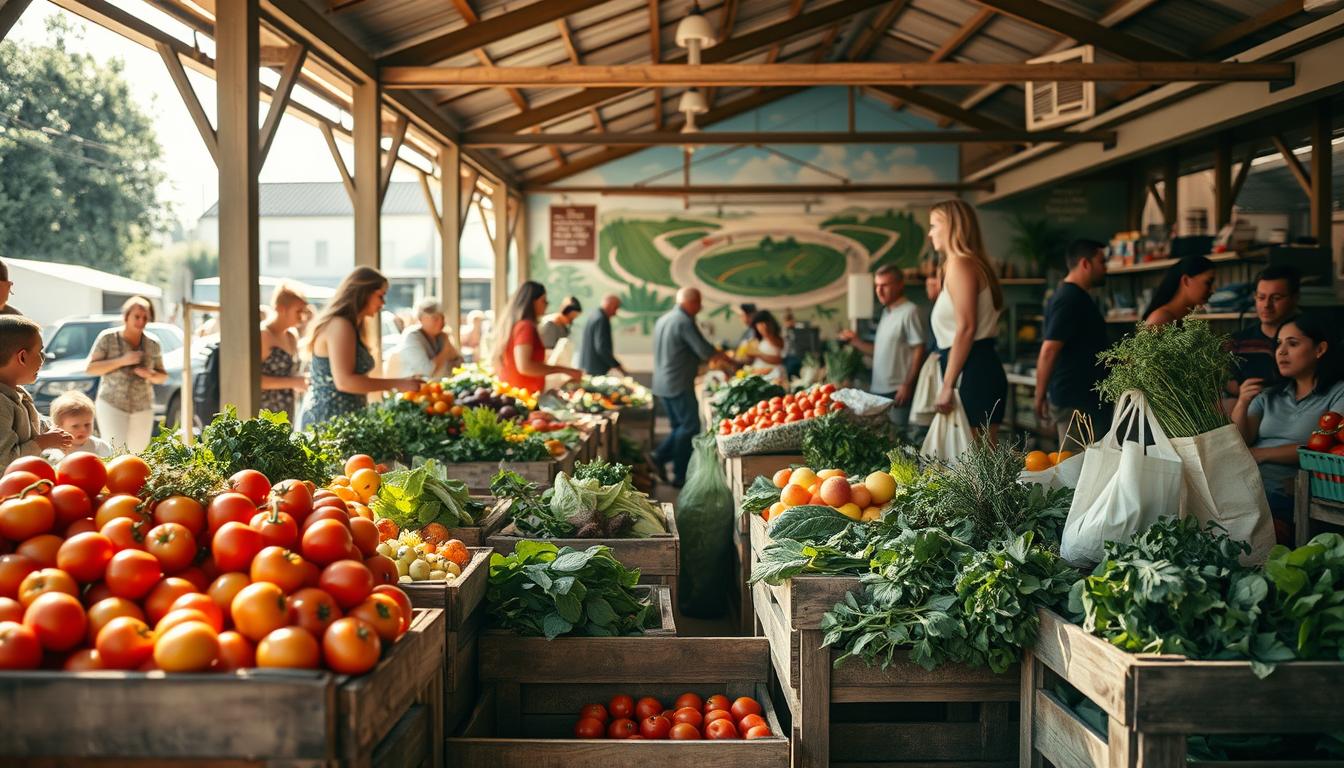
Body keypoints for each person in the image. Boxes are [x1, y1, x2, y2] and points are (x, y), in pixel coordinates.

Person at [1232, 314, 1344, 528]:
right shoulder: (1269, 395)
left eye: (1292, 344)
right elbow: (1241, 441)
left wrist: (1261, 454)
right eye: (1278, 344)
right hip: (1248, 481)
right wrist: (1242, 402)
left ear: (1320, 349)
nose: (1281, 352)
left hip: (1292, 489)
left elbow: (1325, 447)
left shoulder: (1338, 393)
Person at [928, 199, 1008, 442]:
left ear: (952, 226)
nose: (930, 233)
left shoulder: (960, 264)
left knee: (975, 468)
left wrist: (947, 385)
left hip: (971, 372)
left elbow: (966, 328)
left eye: (934, 225)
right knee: (978, 466)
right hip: (974, 367)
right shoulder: (968, 263)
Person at [300, 267, 420, 427]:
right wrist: (400, 383)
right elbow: (345, 382)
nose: (383, 303)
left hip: (343, 419)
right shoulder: (340, 325)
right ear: (363, 292)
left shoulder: (350, 325)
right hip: (328, 421)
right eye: (380, 295)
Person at [652, 287, 734, 486]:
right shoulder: (684, 321)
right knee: (689, 428)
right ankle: (673, 470)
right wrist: (730, 362)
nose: (700, 307)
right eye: (698, 302)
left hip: (662, 383)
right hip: (678, 383)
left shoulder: (664, 319)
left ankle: (663, 462)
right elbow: (705, 350)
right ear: (690, 302)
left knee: (679, 427)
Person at [1035, 239, 1111, 448]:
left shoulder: (1075, 296)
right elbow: (1049, 350)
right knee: (1075, 471)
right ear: (1085, 264)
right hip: (1075, 401)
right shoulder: (1069, 298)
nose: (1105, 268)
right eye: (1101, 262)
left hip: (1084, 399)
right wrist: (1039, 395)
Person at [839, 264, 927, 432]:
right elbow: (878, 352)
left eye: (884, 285)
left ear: (900, 285)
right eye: (877, 285)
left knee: (899, 444)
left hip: (898, 391)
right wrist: (855, 341)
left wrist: (907, 384)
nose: (879, 290)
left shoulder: (910, 311)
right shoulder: (887, 313)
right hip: (878, 390)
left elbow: (919, 350)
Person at [84, 296, 166, 452]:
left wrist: (149, 374)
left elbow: (163, 376)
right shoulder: (108, 338)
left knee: (138, 453)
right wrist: (122, 360)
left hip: (143, 406)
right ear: (126, 316)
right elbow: (90, 368)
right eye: (136, 316)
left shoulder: (152, 343)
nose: (141, 321)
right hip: (112, 403)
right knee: (115, 451)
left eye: (145, 317)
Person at [0, 316, 70, 463]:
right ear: (22, 357)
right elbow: (4, 462)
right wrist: (43, 442)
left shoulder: (19, 392)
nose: (43, 359)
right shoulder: (1, 404)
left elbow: (36, 424)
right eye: (40, 352)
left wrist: (56, 428)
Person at [492, 281, 582, 394]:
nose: (547, 305)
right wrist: (565, 370)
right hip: (524, 396)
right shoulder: (526, 326)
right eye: (543, 300)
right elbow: (525, 367)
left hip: (517, 393)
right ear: (532, 302)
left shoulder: (516, 324)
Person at [1229, 265, 1300, 395]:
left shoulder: (1308, 339)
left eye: (1276, 298)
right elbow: (1228, 389)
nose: (1267, 305)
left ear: (1294, 298)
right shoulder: (1238, 342)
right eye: (1261, 297)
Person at [260, 283, 309, 422]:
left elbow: (290, 374)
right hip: (265, 412)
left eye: (304, 311)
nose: (303, 317)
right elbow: (254, 381)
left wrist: (301, 380)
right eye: (298, 311)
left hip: (288, 410)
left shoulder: (291, 335)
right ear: (281, 309)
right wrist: (294, 382)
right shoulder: (263, 335)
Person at [395, 297, 463, 380]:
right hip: (414, 389)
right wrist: (445, 349)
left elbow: (459, 364)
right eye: (435, 318)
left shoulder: (441, 336)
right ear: (420, 318)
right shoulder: (412, 336)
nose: (441, 322)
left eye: (442, 317)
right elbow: (427, 371)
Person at [1143, 255, 1216, 327]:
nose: (1212, 291)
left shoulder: (1183, 316)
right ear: (1186, 280)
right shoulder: (1160, 319)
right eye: (1208, 283)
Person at [46, 391, 111, 459]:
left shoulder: (100, 447)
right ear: (59, 427)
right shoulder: (55, 451)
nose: (83, 429)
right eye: (75, 426)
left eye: (87, 424)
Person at [578, 294, 626, 377]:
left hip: (589, 366)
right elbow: (602, 347)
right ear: (608, 304)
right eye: (616, 308)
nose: (615, 313)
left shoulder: (594, 315)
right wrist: (617, 365)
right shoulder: (601, 319)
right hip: (596, 369)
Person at [749, 310, 788, 384]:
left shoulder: (776, 339)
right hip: (761, 376)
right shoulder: (760, 340)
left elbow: (779, 360)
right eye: (759, 324)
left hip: (774, 377)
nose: (763, 326)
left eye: (765, 323)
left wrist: (758, 354)